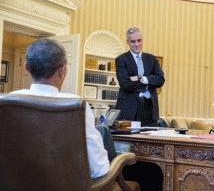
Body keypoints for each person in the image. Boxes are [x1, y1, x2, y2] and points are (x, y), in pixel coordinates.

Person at [10, 39, 110, 179]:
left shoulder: (8, 102)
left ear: (26, 67)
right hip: (66, 185)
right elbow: (99, 170)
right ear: (63, 70)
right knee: (105, 134)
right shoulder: (75, 104)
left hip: (16, 184)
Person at [115, 27, 165, 127]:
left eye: (139, 40)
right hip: (129, 110)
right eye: (133, 41)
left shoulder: (152, 59)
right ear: (128, 42)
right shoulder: (121, 60)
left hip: (150, 109)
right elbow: (125, 84)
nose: (137, 44)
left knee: (150, 141)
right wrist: (150, 81)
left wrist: (142, 79)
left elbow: (160, 80)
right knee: (130, 141)